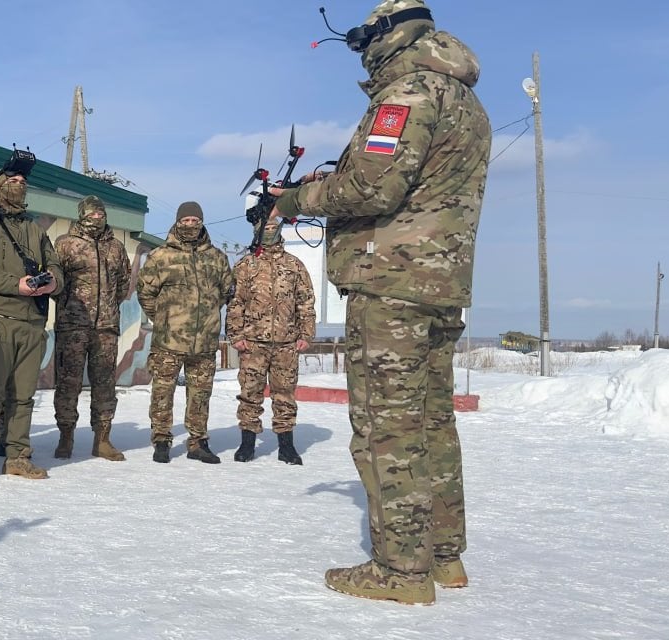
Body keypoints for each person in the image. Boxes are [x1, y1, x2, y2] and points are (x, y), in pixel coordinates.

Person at [271, 0, 491, 604]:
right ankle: (444, 557)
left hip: (391, 284)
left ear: (388, 35)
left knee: (386, 430)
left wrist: (293, 199)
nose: (362, 48)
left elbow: (372, 184)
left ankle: (401, 571)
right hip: (439, 285)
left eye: (365, 37)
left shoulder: (409, 93)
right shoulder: (464, 98)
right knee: (432, 421)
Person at [0, 151, 64, 484]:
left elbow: (56, 266)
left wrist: (52, 280)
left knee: (24, 396)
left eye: (23, 181)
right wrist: (16, 285)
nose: (20, 184)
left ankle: (18, 456)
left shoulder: (35, 228)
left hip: (32, 324)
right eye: (13, 180)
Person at [136, 202, 233, 464]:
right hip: (169, 340)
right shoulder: (161, 256)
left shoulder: (217, 258)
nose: (190, 225)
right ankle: (161, 439)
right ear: (178, 222)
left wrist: (208, 317)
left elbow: (225, 292)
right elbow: (145, 292)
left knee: (201, 394)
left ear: (201, 222)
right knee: (163, 392)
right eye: (186, 220)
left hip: (204, 342)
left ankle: (198, 442)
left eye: (195, 220)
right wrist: (164, 318)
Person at [225, 219, 316, 465]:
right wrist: (236, 334)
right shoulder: (246, 265)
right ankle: (247, 443)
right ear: (256, 231)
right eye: (264, 228)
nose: (269, 232)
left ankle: (286, 446)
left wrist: (306, 334)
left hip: (286, 343)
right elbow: (235, 303)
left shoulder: (294, 265)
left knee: (284, 393)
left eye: (272, 228)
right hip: (253, 343)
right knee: (250, 393)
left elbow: (305, 301)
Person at [51, 195, 132, 461]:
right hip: (72, 327)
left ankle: (103, 439)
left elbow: (123, 284)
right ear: (81, 215)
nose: (97, 218)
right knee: (68, 383)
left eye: (100, 214)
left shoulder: (116, 248)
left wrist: (108, 307)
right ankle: (66, 436)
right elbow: (55, 283)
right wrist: (70, 307)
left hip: (106, 328)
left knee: (105, 384)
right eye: (91, 214)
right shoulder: (65, 244)